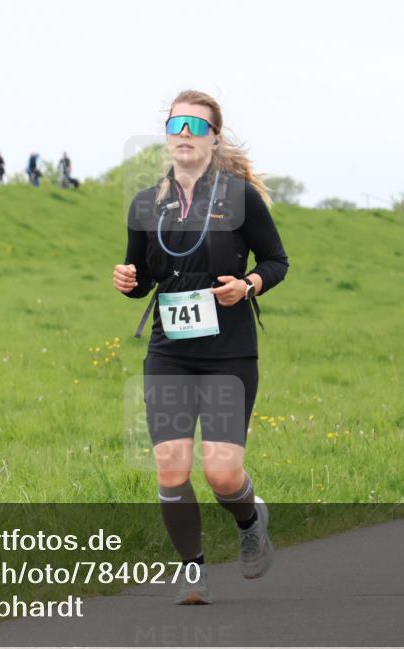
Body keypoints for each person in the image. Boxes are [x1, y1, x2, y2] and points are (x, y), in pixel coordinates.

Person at [112, 90, 289, 605]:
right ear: (167, 135)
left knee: (221, 472)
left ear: (214, 138)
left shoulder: (240, 198)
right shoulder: (146, 203)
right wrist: (129, 280)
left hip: (229, 352)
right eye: (176, 124)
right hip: (169, 350)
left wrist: (250, 284)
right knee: (171, 465)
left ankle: (250, 518)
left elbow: (276, 260)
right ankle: (193, 570)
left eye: (196, 125)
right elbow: (142, 276)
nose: (185, 133)